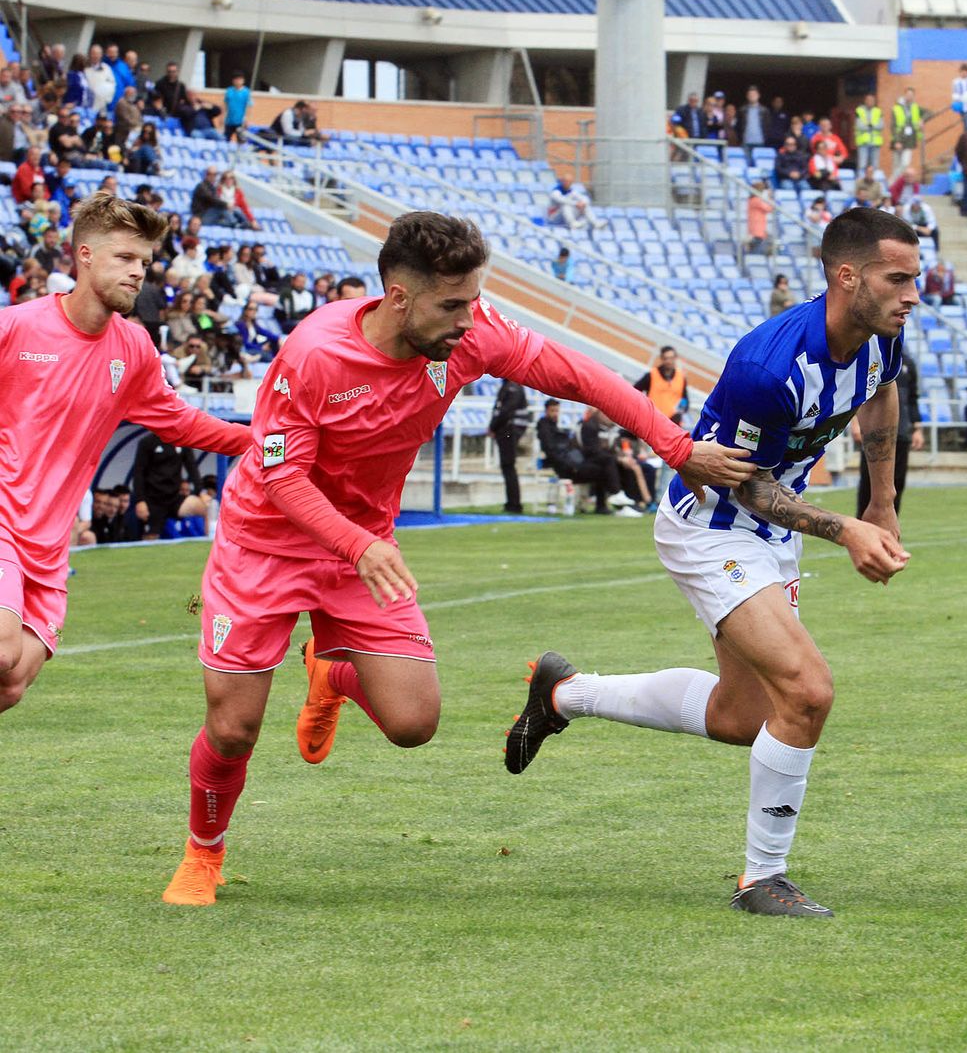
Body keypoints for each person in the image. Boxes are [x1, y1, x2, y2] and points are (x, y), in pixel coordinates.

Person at [159, 211, 755, 906]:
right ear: (398, 297)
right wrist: (358, 543)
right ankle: (203, 854)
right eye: (452, 305)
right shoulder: (314, 355)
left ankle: (331, 671)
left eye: (474, 300)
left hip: (362, 549)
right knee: (234, 729)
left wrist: (676, 446)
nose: (469, 320)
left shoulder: (466, 335)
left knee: (414, 723)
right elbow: (282, 478)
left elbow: (577, 375)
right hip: (268, 543)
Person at [501, 208, 914, 919]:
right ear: (847, 276)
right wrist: (845, 529)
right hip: (713, 528)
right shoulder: (768, 367)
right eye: (897, 279)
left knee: (742, 716)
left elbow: (879, 393)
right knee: (807, 692)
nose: (912, 295)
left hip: (771, 533)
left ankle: (563, 693)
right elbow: (740, 483)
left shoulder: (881, 335)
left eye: (915, 278)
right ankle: (763, 879)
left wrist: (881, 502)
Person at [0, 193, 252, 717]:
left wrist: (269, 440)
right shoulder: (16, 328)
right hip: (3, 521)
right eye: (125, 257)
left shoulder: (133, 348)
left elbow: (182, 422)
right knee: (2, 651)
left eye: (144, 261)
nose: (138, 272)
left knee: (11, 683)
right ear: (84, 255)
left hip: (48, 547)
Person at [854, 357, 920, 516]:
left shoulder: (908, 363)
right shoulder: (873, 356)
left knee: (897, 484)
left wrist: (917, 428)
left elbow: (913, 398)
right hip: (875, 433)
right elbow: (857, 392)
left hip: (901, 433)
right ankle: (863, 524)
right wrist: (855, 423)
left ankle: (889, 524)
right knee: (869, 483)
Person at [132, 430, 203, 540]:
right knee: (151, 536)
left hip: (174, 497)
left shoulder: (182, 441)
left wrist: (199, 491)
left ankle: (211, 542)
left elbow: (192, 467)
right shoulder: (147, 442)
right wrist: (140, 500)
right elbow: (138, 472)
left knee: (202, 507)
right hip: (153, 499)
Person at [489, 378, 529, 513]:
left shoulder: (512, 387)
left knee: (508, 465)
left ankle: (514, 504)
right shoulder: (511, 386)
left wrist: (493, 427)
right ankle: (512, 503)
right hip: (508, 429)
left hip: (509, 430)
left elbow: (505, 411)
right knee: (508, 466)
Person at [633, 344, 689, 426]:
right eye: (666, 358)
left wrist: (679, 413)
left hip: (670, 423)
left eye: (671, 358)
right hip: (650, 420)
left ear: (675, 358)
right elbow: (635, 390)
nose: (669, 361)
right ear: (662, 359)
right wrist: (643, 408)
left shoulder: (681, 378)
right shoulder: (652, 375)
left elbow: (685, 399)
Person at [891, 88, 923, 176]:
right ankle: (894, 182)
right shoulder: (897, 107)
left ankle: (896, 180)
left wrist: (922, 120)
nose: (909, 96)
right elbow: (893, 126)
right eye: (908, 94)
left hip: (909, 140)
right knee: (896, 165)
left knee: (905, 163)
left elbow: (929, 112)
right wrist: (896, 141)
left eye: (911, 95)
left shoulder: (915, 107)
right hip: (899, 138)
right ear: (904, 95)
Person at [735, 86, 772, 157]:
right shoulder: (742, 110)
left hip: (760, 141)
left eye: (754, 94)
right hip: (745, 142)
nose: (752, 96)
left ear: (758, 95)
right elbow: (738, 126)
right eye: (750, 95)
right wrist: (740, 139)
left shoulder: (765, 111)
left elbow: (768, 126)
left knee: (760, 162)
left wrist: (766, 138)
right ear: (747, 96)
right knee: (745, 162)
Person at [853, 93, 884, 175]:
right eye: (868, 100)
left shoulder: (878, 111)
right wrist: (872, 126)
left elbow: (881, 125)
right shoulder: (859, 111)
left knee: (875, 165)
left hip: (875, 142)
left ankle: (874, 180)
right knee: (862, 164)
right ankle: (861, 179)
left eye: (872, 100)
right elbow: (859, 125)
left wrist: (869, 125)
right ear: (865, 101)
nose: (870, 102)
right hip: (863, 141)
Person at [223, 71, 251, 142]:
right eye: (236, 79)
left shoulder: (246, 92)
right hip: (229, 121)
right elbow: (225, 105)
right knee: (225, 140)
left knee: (241, 140)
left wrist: (247, 119)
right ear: (233, 81)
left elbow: (248, 106)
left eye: (240, 79)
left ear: (243, 81)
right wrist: (222, 117)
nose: (238, 81)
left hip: (240, 121)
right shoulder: (229, 91)